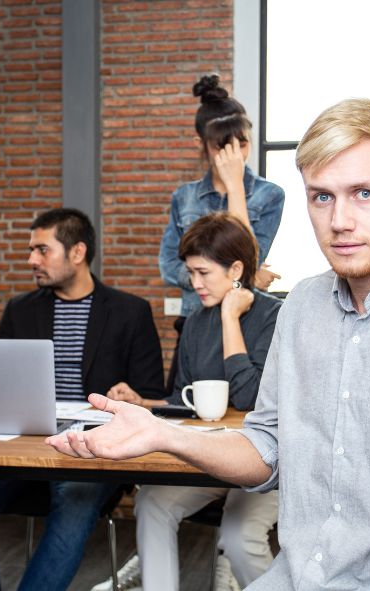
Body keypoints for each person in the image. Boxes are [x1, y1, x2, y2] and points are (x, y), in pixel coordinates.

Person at [47, 99, 370, 590]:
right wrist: (165, 434)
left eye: (364, 193)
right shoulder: (301, 308)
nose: (339, 221)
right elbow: (267, 448)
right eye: (322, 196)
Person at [0, 208, 166, 591]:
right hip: (23, 447)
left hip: (91, 449)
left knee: (74, 501)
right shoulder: (20, 310)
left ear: (77, 252)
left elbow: (153, 395)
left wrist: (133, 397)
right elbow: (0, 388)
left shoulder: (130, 311)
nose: (31, 260)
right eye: (31, 250)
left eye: (42, 250)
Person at [92, 212, 281, 591]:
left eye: (202, 273)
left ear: (236, 269)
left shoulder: (275, 316)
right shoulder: (196, 323)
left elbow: (248, 396)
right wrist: (142, 402)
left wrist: (230, 318)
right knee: (152, 503)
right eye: (190, 273)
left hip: (267, 462)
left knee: (240, 536)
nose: (194, 284)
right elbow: (183, 397)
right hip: (212, 458)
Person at [159, 73, 285, 389]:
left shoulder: (270, 195)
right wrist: (221, 277)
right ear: (200, 145)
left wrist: (235, 189)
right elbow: (169, 267)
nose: (235, 155)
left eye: (242, 143)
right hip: (196, 326)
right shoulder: (184, 196)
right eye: (221, 146)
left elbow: (246, 258)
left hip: (247, 322)